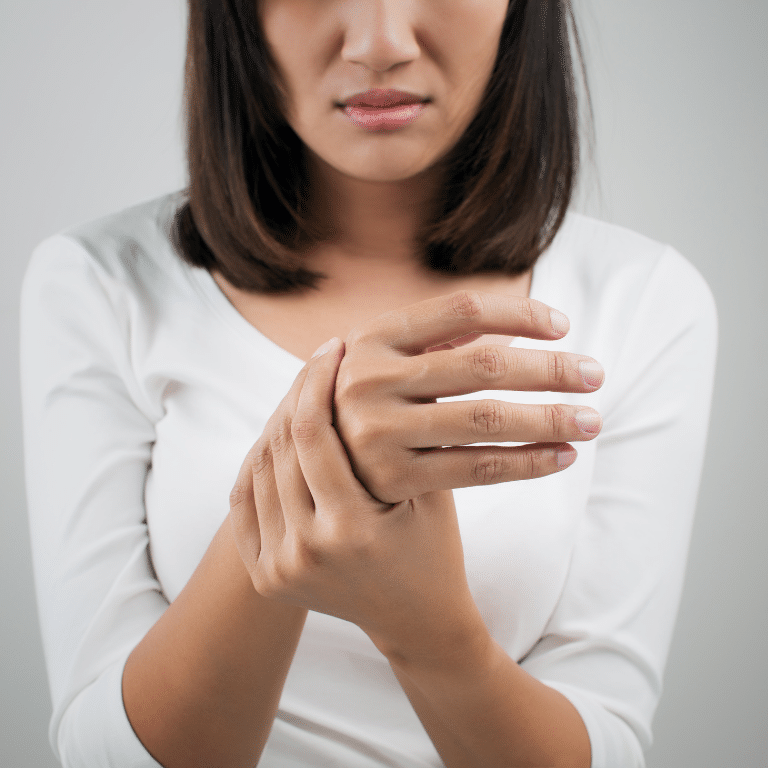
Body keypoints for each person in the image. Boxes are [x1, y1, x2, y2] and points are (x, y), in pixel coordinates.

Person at [19, 0, 718, 766]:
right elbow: (96, 752)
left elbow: (606, 746)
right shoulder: (97, 283)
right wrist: (324, 470)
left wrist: (429, 632)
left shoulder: (644, 297)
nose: (379, 43)